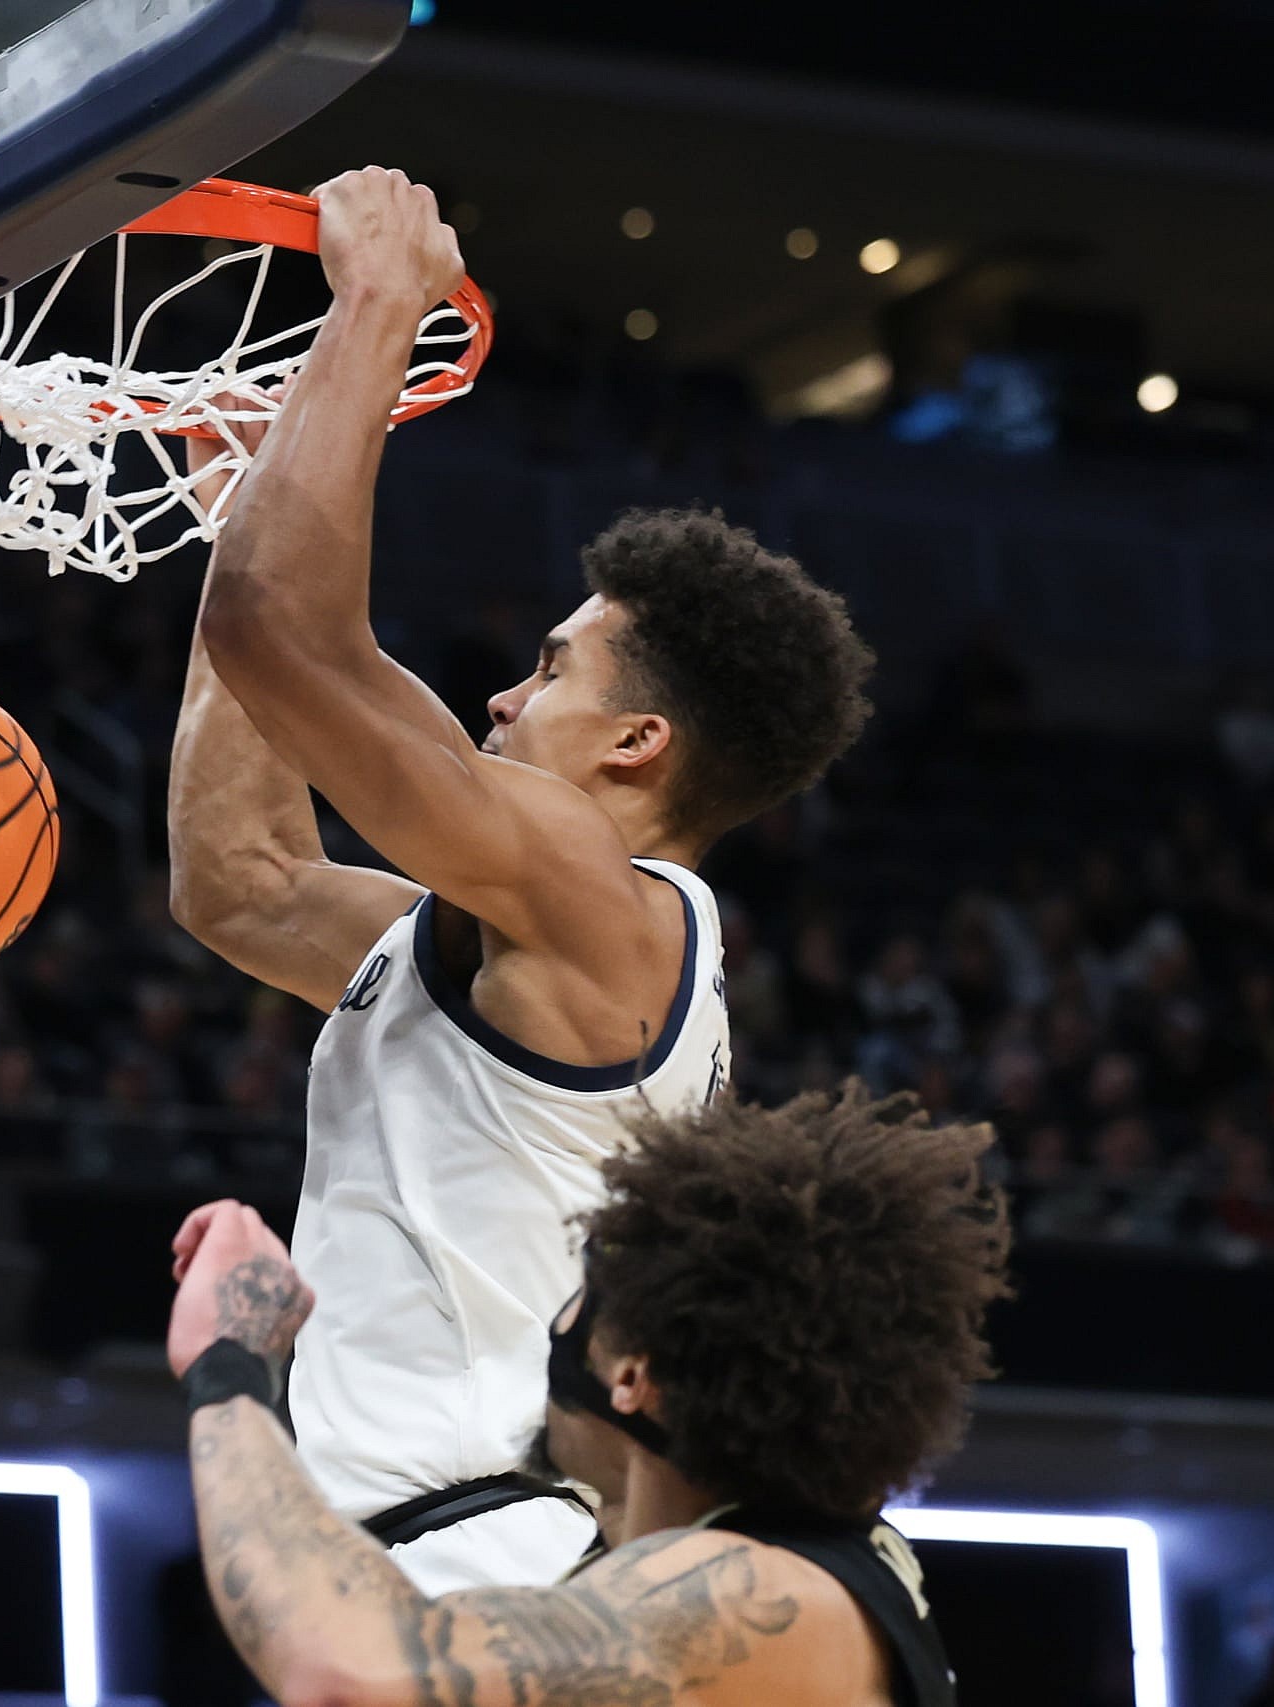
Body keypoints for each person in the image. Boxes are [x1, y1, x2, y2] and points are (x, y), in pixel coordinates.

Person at [166, 166, 876, 1590]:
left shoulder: (598, 889)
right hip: (447, 1566)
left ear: (637, 741)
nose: (504, 694)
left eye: (550, 666)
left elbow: (286, 633)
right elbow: (239, 881)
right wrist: (251, 506)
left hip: (491, 1556)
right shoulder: (540, 939)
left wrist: (372, 308)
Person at [163, 1084, 1006, 1707]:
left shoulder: (758, 1590)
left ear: (631, 1375)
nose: (558, 1319)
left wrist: (232, 1361)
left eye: (585, 1292)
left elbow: (346, 1670)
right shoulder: (810, 1558)